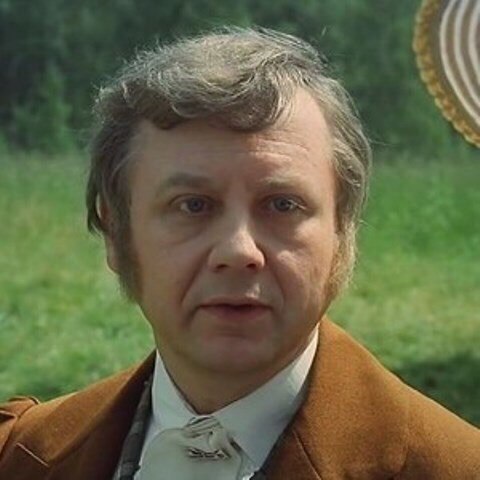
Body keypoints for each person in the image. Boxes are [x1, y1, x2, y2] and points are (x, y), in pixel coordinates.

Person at [0, 27, 478, 480]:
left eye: (282, 205)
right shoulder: (21, 456)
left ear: (343, 232)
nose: (238, 251)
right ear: (116, 233)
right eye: (193, 205)